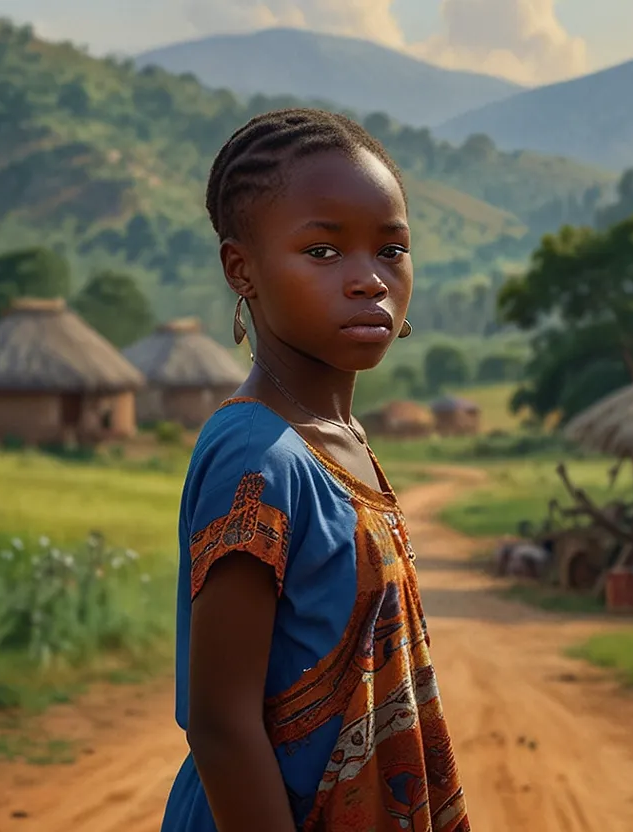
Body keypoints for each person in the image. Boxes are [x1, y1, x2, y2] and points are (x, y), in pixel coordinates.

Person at [161, 108, 469, 831]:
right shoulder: (258, 456)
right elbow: (220, 725)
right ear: (244, 270)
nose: (369, 280)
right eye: (323, 252)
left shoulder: (340, 438)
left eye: (391, 249)